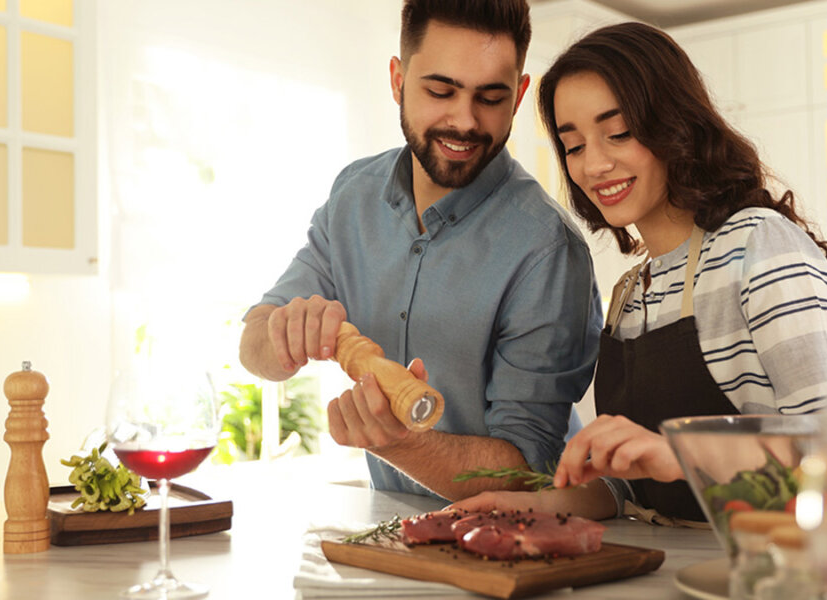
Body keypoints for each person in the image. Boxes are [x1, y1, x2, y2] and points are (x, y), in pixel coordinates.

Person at [451, 22, 827, 523]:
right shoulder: (630, 293)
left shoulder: (757, 245)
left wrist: (686, 455)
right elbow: (636, 488)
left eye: (618, 133)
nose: (594, 165)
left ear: (673, 124)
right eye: (575, 145)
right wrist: (529, 505)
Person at [239, 0, 602, 501]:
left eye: (491, 98)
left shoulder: (547, 249)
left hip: (512, 542)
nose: (465, 121)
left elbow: (527, 470)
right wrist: (284, 337)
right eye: (440, 90)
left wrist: (401, 443)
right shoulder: (353, 197)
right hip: (395, 532)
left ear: (518, 96)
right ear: (397, 80)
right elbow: (254, 342)